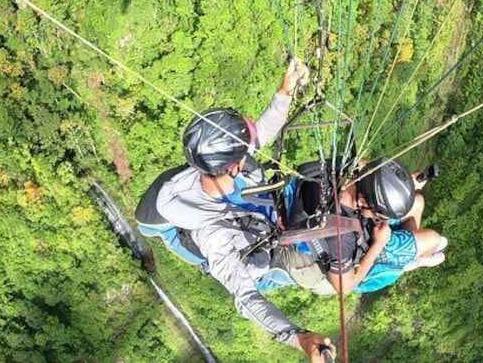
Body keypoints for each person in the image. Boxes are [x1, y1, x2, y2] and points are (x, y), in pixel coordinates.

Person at [137, 59, 336, 363]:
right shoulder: (212, 234)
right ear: (233, 165)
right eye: (245, 149)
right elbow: (246, 297)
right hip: (224, 246)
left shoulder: (225, 166)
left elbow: (263, 132)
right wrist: (299, 337)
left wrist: (284, 92)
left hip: (241, 215)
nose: (250, 147)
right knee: (280, 274)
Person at [280, 157, 447, 295]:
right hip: (359, 259)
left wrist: (403, 186)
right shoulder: (340, 237)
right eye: (379, 215)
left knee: (417, 202)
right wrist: (378, 244)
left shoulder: (344, 173)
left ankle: (411, 253)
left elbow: (372, 168)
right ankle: (412, 261)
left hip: (339, 214)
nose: (381, 218)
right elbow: (344, 287)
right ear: (363, 201)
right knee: (434, 239)